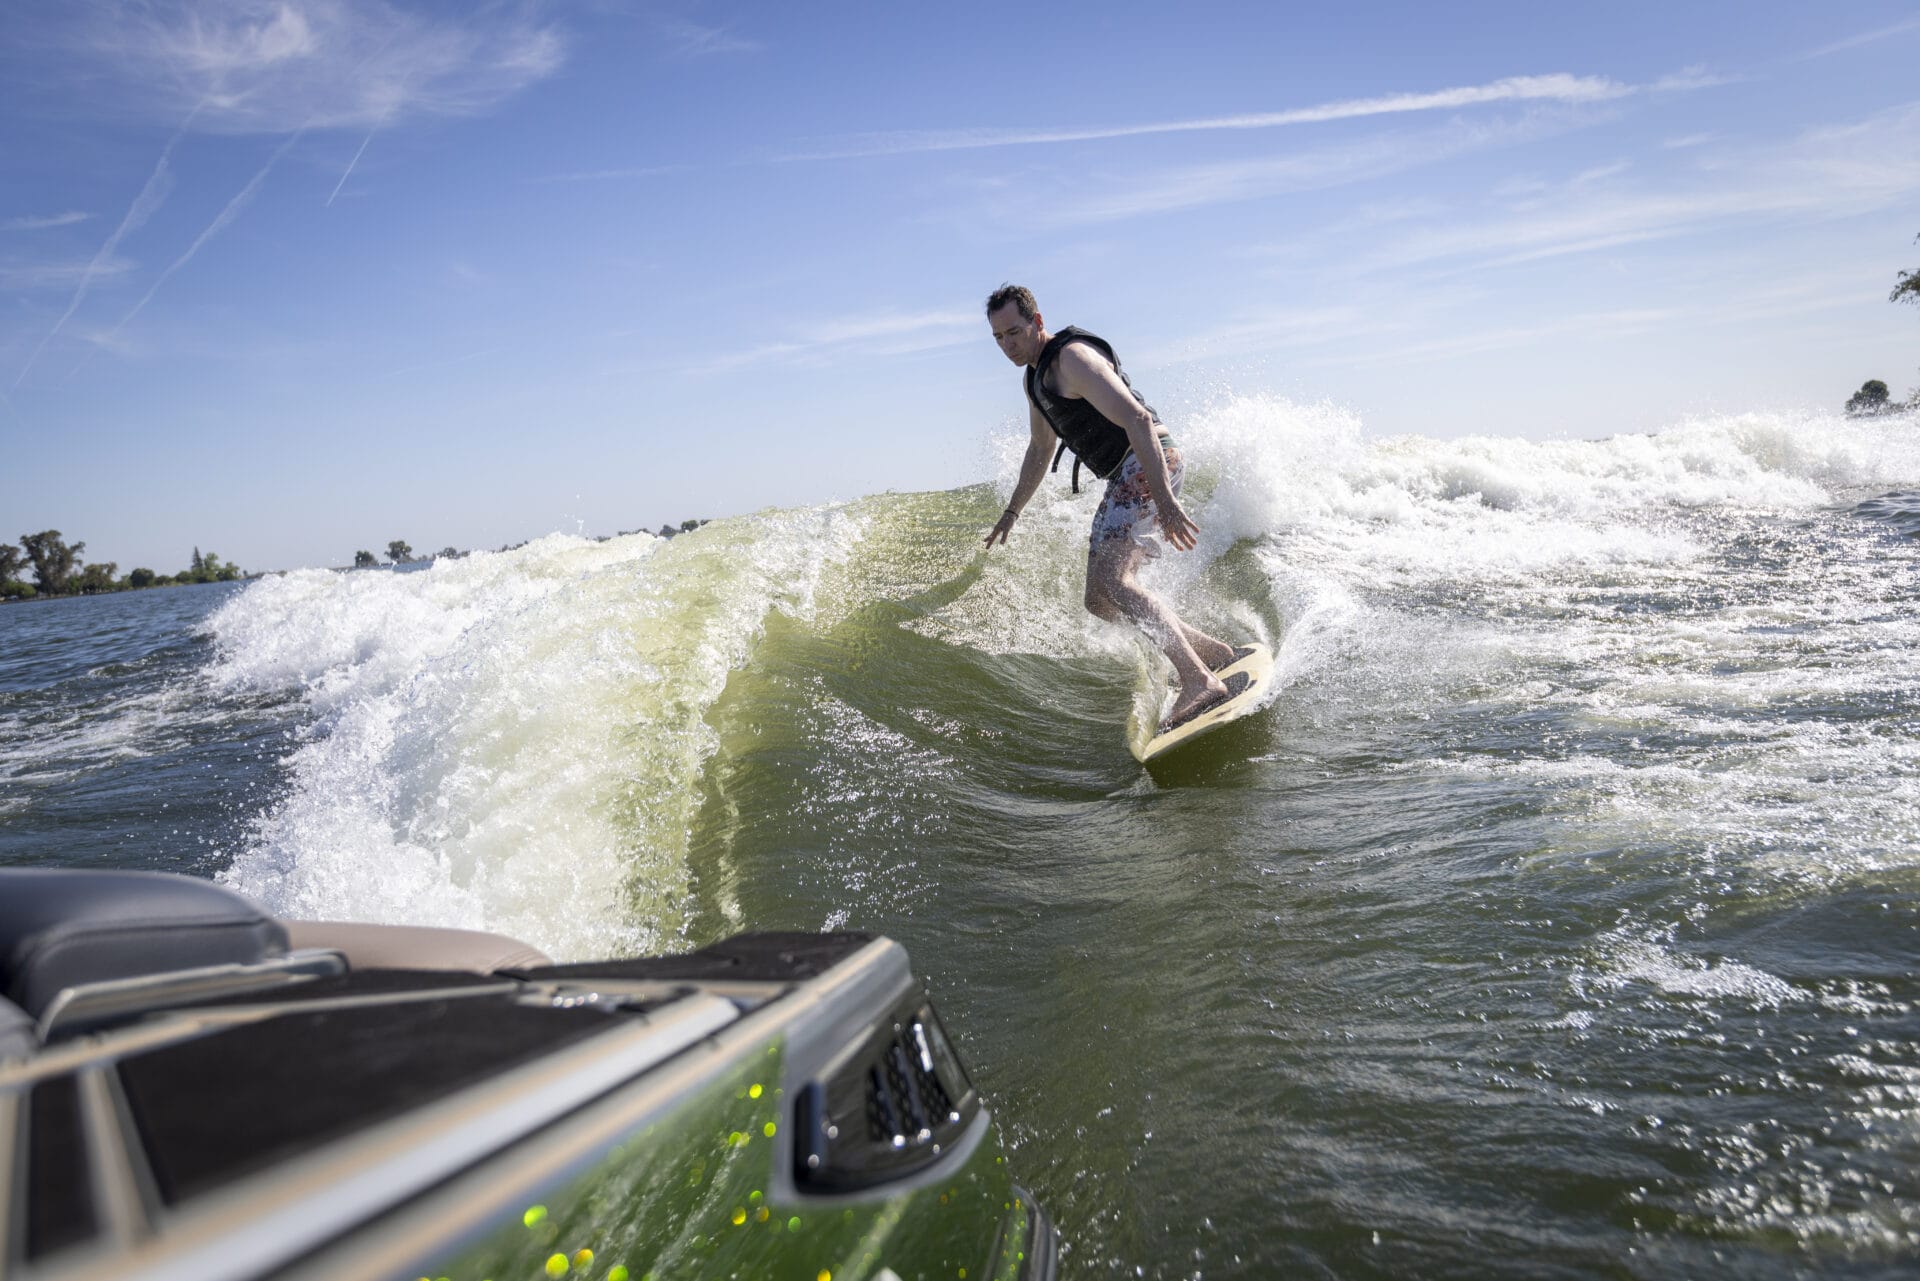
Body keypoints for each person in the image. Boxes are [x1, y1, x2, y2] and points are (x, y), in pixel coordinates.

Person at [982, 284, 1242, 727]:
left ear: (1037, 322)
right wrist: (1012, 512)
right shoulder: (1034, 379)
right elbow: (1040, 449)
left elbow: (1139, 419)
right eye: (999, 338)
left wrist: (1166, 500)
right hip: (1124, 474)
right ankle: (1211, 652)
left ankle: (1198, 681)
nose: (1008, 345)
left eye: (1015, 332)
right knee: (1099, 599)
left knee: (1115, 578)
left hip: (1146, 460)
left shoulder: (1072, 360)